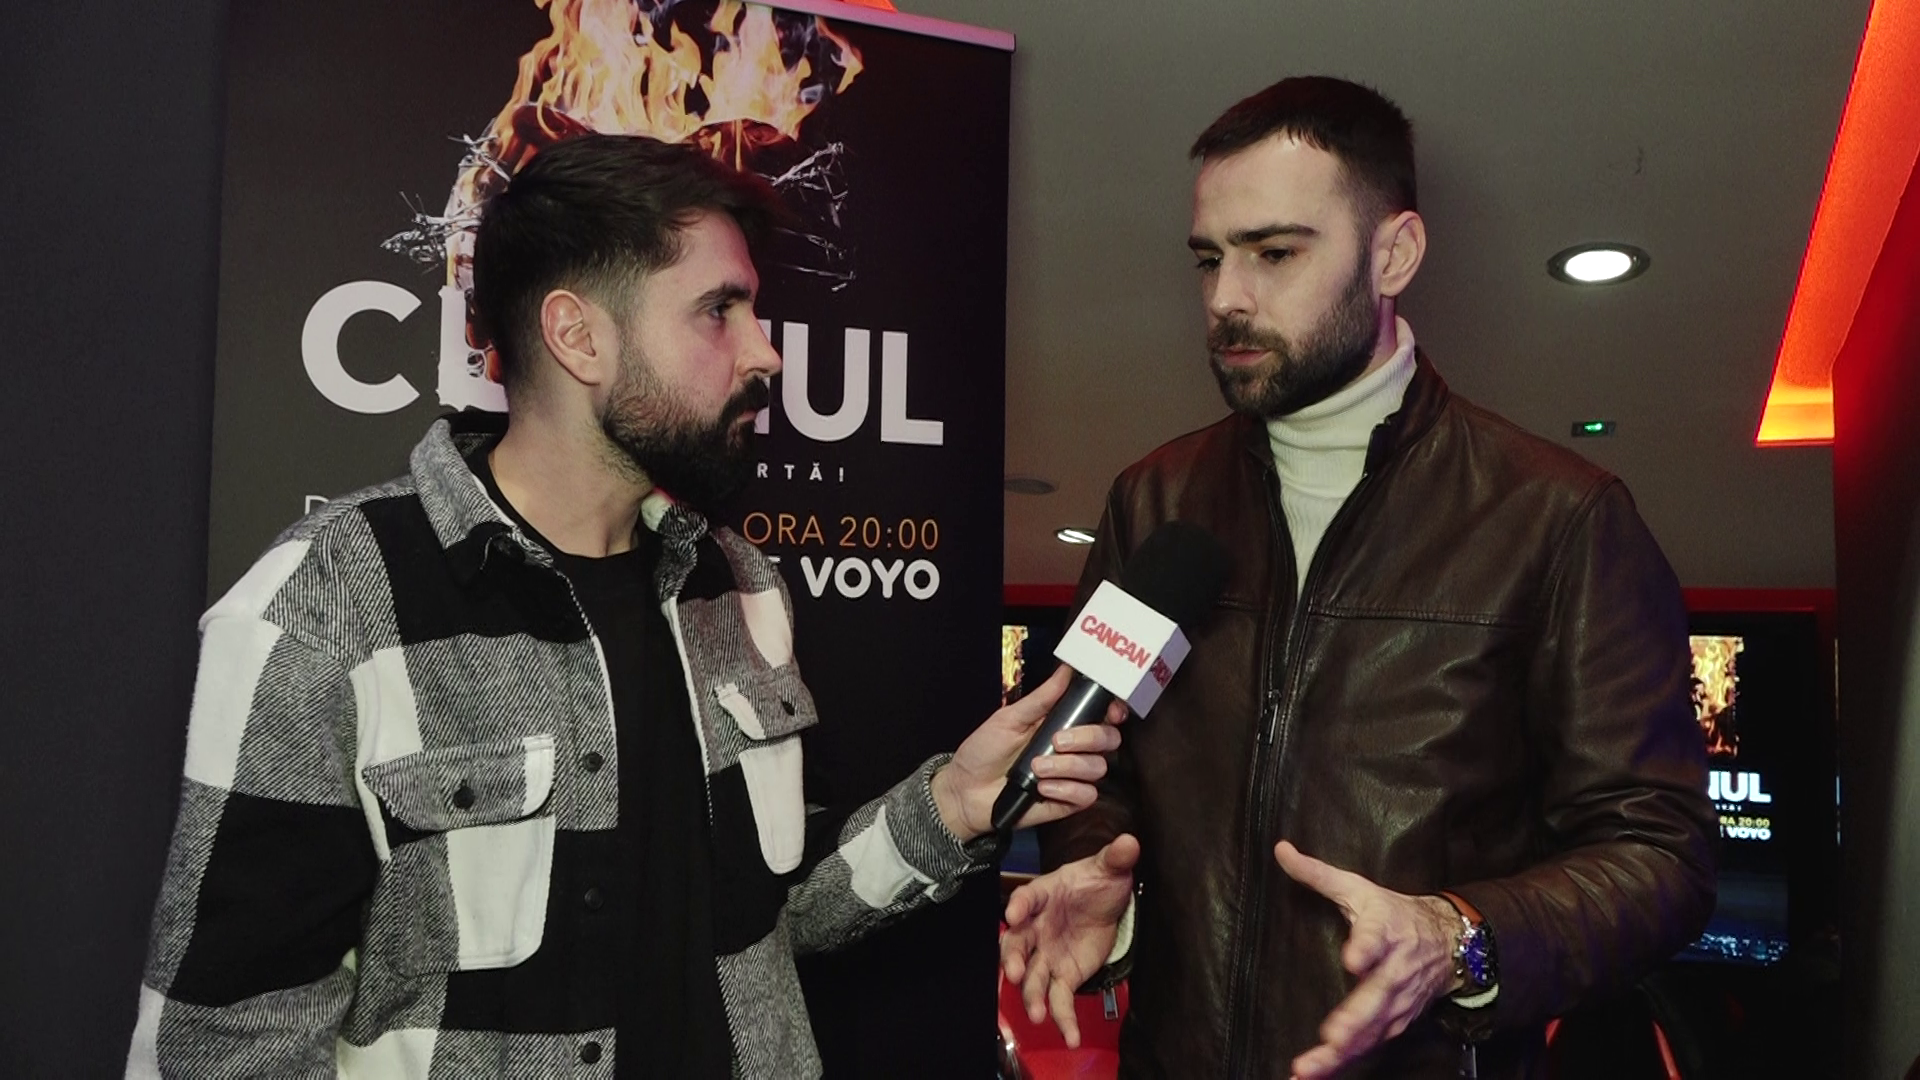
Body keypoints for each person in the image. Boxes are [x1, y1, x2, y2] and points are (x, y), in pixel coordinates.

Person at [128, 134, 1121, 1080]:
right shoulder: (328, 606)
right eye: (719, 311)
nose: (767, 354)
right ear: (578, 337)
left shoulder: (738, 583)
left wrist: (953, 806)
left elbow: (767, 914)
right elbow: (227, 1044)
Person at [1000, 76, 1716, 1079]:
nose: (1225, 297)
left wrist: (1459, 936)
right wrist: (1098, 872)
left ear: (1394, 255)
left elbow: (1660, 855)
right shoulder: (1154, 502)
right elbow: (1093, 753)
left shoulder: (1557, 520)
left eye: (1274, 252)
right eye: (1209, 258)